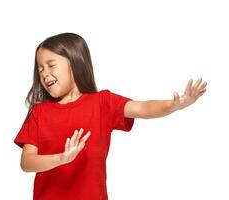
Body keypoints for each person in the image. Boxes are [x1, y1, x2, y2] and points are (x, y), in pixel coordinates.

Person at [13, 32, 207, 200]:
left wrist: (174, 105)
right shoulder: (40, 112)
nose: (44, 73)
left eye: (51, 65)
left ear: (75, 62)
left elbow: (143, 108)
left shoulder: (103, 103)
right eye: (40, 68)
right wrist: (61, 159)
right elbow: (26, 162)